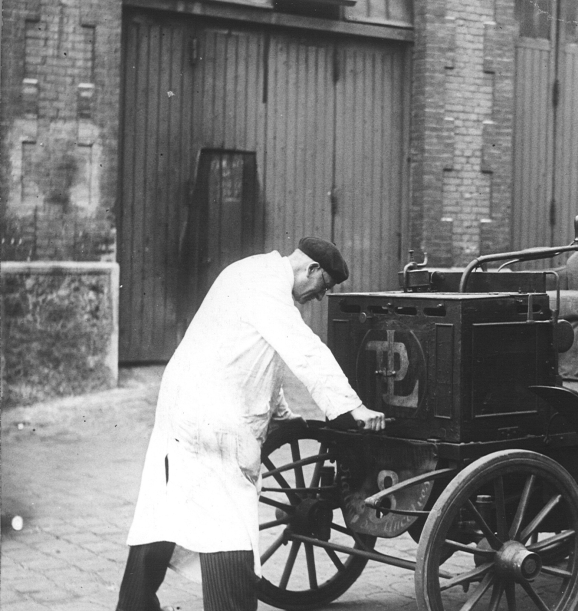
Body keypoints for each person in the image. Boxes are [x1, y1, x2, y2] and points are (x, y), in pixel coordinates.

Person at [116, 237, 385, 611]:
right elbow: (303, 350)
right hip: (214, 419)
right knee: (229, 529)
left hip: (184, 409)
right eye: (324, 287)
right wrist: (352, 407)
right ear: (311, 269)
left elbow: (258, 358)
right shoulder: (266, 286)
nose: (321, 297)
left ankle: (133, 606)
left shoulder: (251, 273)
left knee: (164, 511)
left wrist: (284, 418)